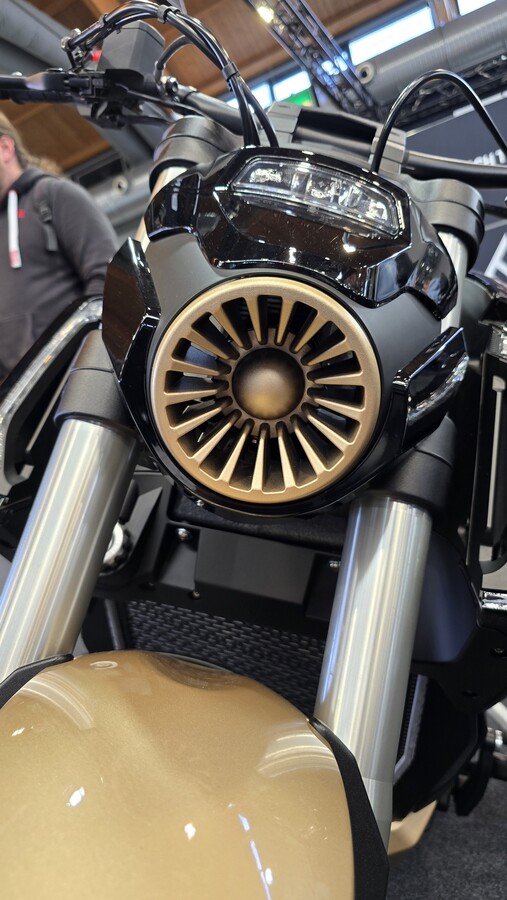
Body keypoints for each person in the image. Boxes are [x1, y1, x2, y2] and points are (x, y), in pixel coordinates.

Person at [0, 111, 118, 378]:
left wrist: (77, 353)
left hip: (73, 375)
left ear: (5, 148)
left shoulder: (54, 196)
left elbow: (107, 277)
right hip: (19, 392)